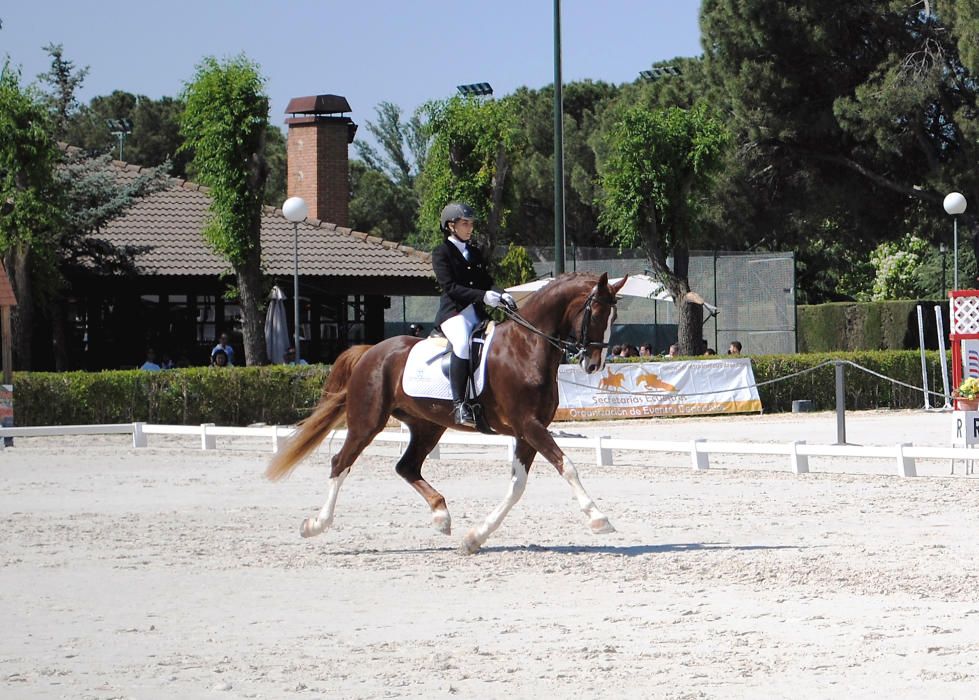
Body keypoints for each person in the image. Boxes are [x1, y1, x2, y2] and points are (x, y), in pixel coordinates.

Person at [432, 202, 516, 426]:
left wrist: (502, 294)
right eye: (465, 224)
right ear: (451, 226)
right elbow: (450, 287)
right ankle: (459, 404)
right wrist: (483, 296)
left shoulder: (474, 252)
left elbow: (487, 283)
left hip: (477, 315)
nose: (470, 228)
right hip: (454, 313)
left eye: (471, 224)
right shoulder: (442, 253)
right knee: (461, 343)